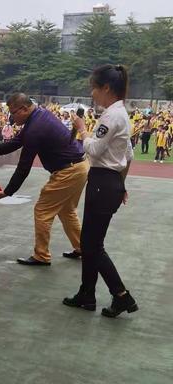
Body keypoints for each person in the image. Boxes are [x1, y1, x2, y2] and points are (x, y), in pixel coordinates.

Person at [63, 64, 138, 318]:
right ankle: (87, 294)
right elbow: (128, 155)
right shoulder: (121, 114)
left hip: (101, 182)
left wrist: (82, 129)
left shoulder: (110, 116)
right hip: (110, 183)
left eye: (93, 88)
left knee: (92, 245)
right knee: (90, 242)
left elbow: (93, 150)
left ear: (106, 88)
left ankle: (121, 295)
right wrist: (121, 184)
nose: (92, 93)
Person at [0, 93, 89, 266]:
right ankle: (83, 248)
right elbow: (20, 140)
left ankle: (42, 255)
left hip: (68, 171)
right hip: (79, 167)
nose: (11, 117)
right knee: (66, 211)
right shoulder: (39, 115)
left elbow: (24, 167)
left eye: (13, 112)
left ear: (24, 109)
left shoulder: (36, 127)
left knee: (42, 210)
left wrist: (7, 192)